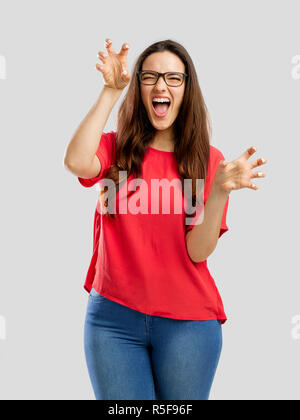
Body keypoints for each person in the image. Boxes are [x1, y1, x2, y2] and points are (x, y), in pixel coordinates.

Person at [64, 38, 267, 400]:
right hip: (112, 321)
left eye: (174, 78)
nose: (161, 85)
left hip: (188, 324)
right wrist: (110, 92)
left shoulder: (207, 158)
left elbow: (198, 251)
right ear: (139, 87)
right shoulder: (114, 147)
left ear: (187, 90)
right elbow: (77, 162)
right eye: (151, 76)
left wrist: (219, 190)